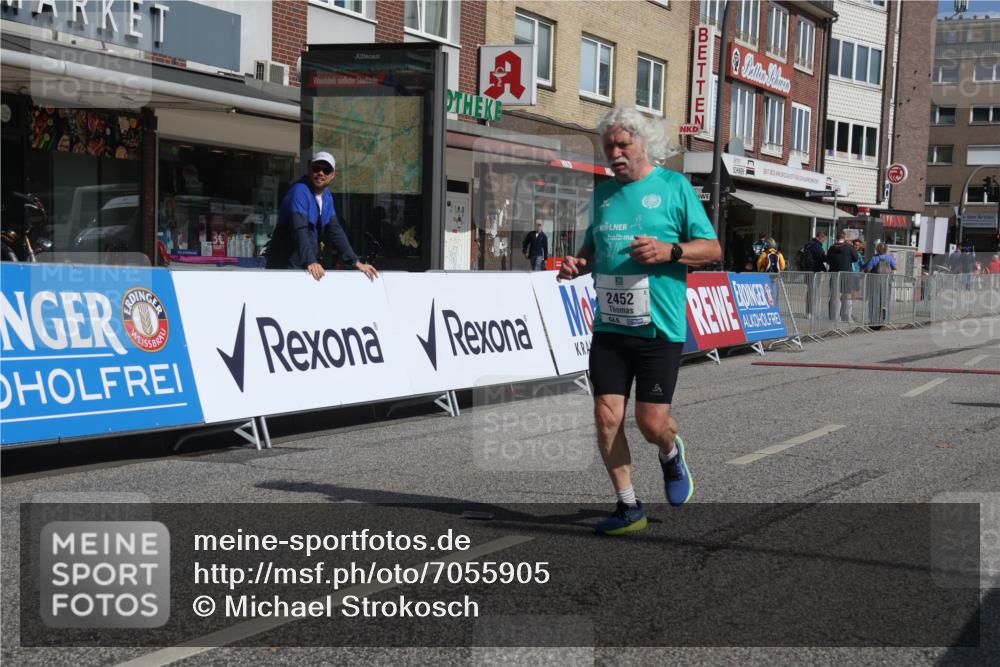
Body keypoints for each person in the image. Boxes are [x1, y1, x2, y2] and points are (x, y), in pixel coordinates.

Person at [556, 106, 722, 536]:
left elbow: (712, 249)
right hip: (610, 327)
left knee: (651, 424)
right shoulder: (603, 195)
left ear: (643, 143)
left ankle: (670, 450)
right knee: (606, 416)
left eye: (622, 145)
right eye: (608, 146)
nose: (614, 153)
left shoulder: (674, 187)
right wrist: (578, 264)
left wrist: (671, 252)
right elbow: (593, 249)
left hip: (659, 327)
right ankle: (628, 506)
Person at [265, 151, 378, 281]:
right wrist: (310, 261)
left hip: (304, 265)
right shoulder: (299, 191)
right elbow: (300, 229)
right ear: (309, 169)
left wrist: (356, 262)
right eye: (316, 168)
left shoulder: (326, 196)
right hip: (284, 268)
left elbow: (336, 230)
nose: (321, 173)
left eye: (326, 170)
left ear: (332, 175)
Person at [826, 232, 861, 322]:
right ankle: (847, 316)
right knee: (847, 294)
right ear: (844, 238)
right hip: (846, 273)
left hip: (834, 273)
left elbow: (827, 260)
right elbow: (856, 258)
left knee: (836, 295)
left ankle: (836, 317)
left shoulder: (832, 248)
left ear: (836, 238)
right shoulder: (849, 247)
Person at [863, 242, 896, 327]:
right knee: (885, 301)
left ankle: (874, 320)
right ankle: (884, 319)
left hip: (875, 282)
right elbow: (895, 267)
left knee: (874, 301)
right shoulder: (889, 258)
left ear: (877, 249)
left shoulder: (874, 258)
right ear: (886, 249)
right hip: (886, 282)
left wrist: (865, 271)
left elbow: (868, 269)